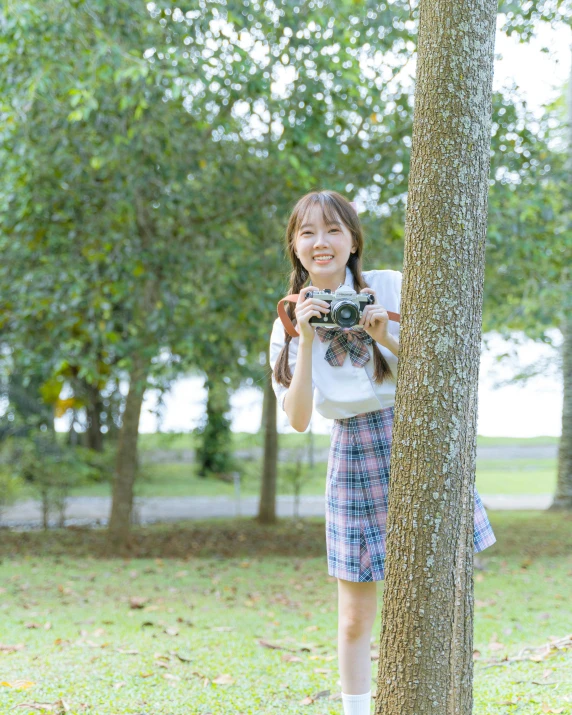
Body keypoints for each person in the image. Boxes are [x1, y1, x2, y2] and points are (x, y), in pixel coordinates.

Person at [268, 189, 496, 715]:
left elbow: (443, 363)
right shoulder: (285, 322)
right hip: (350, 451)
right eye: (307, 233)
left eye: (332, 230)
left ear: (352, 241)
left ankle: (444, 696)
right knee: (353, 614)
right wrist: (303, 338)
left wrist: (384, 335)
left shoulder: (390, 285)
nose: (320, 242)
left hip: (413, 433)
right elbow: (299, 418)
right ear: (295, 248)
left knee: (439, 585)